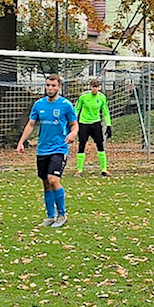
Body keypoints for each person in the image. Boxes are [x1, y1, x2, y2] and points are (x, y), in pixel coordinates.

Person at [16, 73, 78, 228]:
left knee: (53, 179)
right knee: (45, 182)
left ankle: (62, 215)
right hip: (42, 149)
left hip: (59, 148)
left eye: (53, 85)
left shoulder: (66, 105)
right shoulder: (39, 104)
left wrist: (73, 133)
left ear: (59, 87)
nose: (50, 88)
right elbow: (31, 124)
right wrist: (21, 142)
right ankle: (51, 216)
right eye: (48, 85)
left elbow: (74, 124)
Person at [74, 77, 112, 177]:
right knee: (81, 145)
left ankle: (104, 169)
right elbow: (77, 109)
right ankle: (79, 170)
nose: (95, 89)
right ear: (90, 87)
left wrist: (108, 125)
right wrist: (72, 122)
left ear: (99, 87)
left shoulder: (102, 97)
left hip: (96, 123)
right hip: (84, 123)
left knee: (100, 145)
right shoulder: (83, 97)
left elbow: (105, 112)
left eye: (97, 87)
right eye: (93, 87)